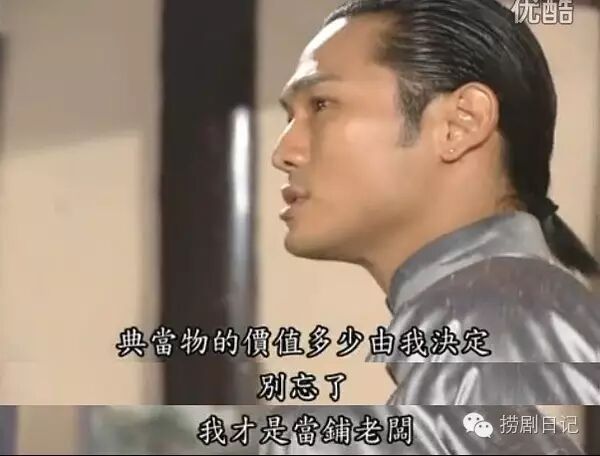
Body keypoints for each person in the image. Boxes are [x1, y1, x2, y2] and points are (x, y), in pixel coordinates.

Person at [266, 0, 600, 453]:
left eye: (322, 104)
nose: (284, 152)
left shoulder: (483, 323)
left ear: (461, 123)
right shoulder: (512, 310)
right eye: (290, 117)